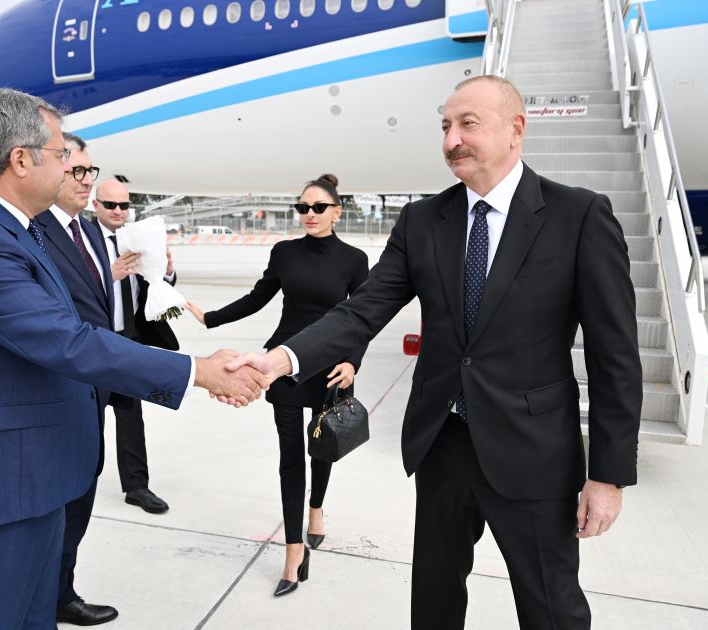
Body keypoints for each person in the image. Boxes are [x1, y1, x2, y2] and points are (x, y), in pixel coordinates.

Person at [227, 76, 643, 628]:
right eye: (446, 126)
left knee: (551, 609)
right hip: (443, 443)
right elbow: (363, 309)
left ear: (516, 129)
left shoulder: (578, 216)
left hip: (534, 452)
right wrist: (282, 359)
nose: (451, 140)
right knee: (434, 602)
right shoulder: (423, 220)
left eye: (468, 124)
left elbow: (615, 357)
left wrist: (608, 476)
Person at [0, 88, 266, 630]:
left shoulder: (15, 228)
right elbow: (67, 340)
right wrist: (197, 371)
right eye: (61, 153)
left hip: (35, 477)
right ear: (21, 159)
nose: (70, 166)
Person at [185, 174, 369, 597]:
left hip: (330, 367)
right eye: (302, 208)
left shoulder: (354, 259)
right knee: (290, 459)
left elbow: (362, 317)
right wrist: (210, 318)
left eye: (318, 207)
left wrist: (352, 362)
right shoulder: (284, 252)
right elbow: (257, 297)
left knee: (321, 446)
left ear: (337, 212)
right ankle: (293, 550)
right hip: (283, 364)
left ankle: (316, 509)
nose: (309, 214)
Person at [33, 134, 119, 625]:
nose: (87, 181)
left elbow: (101, 309)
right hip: (57, 394)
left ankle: (60, 593)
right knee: (55, 507)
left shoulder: (89, 231)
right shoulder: (33, 230)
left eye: (91, 171)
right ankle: (42, 599)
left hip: (94, 393)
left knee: (81, 499)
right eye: (77, 172)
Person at [92, 179, 177, 516]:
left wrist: (167, 272)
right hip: (93, 340)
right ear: (95, 205)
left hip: (129, 339)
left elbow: (153, 286)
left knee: (131, 416)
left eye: (124, 205)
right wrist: (107, 275)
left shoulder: (138, 237)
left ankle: (136, 487)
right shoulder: (82, 240)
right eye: (110, 205)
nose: (118, 211)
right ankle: (78, 482)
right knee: (87, 417)